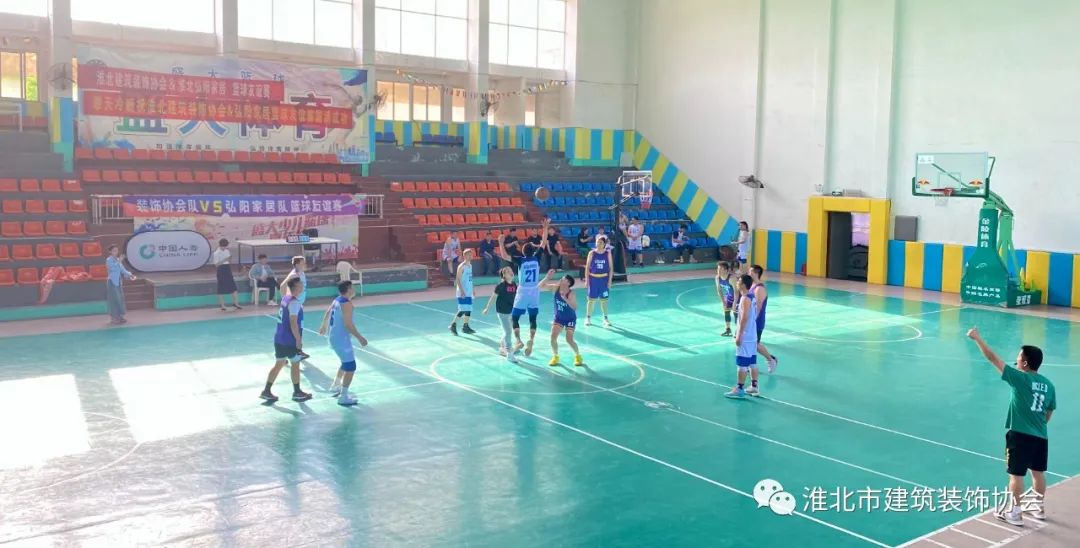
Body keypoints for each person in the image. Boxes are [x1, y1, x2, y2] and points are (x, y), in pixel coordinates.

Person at [967, 327, 1055, 526]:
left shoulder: (1020, 378)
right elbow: (1049, 411)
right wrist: (1038, 425)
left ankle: (1015, 513)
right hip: (1041, 436)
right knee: (1038, 472)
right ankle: (1038, 508)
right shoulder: (1049, 385)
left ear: (1025, 363)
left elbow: (992, 358)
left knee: (1016, 475)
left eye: (1018, 357)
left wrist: (977, 338)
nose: (1016, 359)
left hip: (1020, 435)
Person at [500, 219, 551, 357]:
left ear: (523, 252)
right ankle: (531, 340)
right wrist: (545, 228)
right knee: (533, 319)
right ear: (533, 251)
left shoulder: (520, 260)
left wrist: (500, 243)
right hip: (534, 291)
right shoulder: (536, 258)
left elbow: (504, 255)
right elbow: (543, 242)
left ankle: (518, 340)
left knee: (514, 318)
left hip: (523, 291)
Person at [261, 276, 313, 403]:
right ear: (296, 287)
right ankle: (297, 392)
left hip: (279, 338)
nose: (303, 286)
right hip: (289, 339)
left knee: (279, 364)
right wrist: (298, 340)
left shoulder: (285, 298)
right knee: (295, 363)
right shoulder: (294, 303)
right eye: (301, 284)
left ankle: (266, 391)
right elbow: (293, 323)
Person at [318, 280, 369, 406]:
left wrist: (323, 325)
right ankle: (343, 396)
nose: (354, 289)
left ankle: (336, 385)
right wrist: (360, 337)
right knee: (351, 366)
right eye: (352, 287)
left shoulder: (337, 300)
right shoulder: (346, 304)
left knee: (345, 362)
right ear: (349, 289)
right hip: (341, 339)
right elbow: (348, 324)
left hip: (334, 337)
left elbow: (328, 312)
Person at [725, 275, 760, 399]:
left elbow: (744, 318)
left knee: (742, 363)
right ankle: (754, 386)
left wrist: (739, 335)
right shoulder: (751, 296)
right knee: (752, 362)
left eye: (739, 281)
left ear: (744, 285)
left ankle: (739, 389)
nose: (737, 282)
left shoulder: (745, 299)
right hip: (752, 335)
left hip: (746, 336)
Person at [542, 272, 583, 367]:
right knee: (553, 337)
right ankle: (555, 356)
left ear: (568, 283)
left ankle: (578, 356)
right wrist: (547, 277)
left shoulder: (571, 293)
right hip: (559, 318)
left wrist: (566, 299)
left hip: (570, 319)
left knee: (569, 339)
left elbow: (574, 307)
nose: (561, 279)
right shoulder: (556, 288)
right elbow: (541, 286)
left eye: (563, 278)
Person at [482, 266, 519, 364]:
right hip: (502, 312)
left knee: (508, 330)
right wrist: (487, 308)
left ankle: (502, 347)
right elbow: (493, 297)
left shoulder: (514, 284)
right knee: (508, 332)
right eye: (508, 271)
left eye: (511, 271)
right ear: (504, 275)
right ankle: (509, 354)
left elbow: (516, 297)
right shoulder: (501, 285)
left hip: (511, 311)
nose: (511, 272)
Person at [749, 265, 779, 373]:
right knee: (750, 344)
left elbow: (758, 307)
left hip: (757, 321)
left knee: (755, 344)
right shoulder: (752, 286)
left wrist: (753, 321)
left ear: (756, 273)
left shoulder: (759, 288)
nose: (748, 273)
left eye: (750, 272)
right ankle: (750, 365)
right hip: (750, 320)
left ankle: (771, 359)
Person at [280, 256, 310, 360]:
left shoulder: (302, 273)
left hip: (299, 304)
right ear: (297, 264)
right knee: (295, 327)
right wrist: (286, 300)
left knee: (297, 327)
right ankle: (296, 351)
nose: (305, 264)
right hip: (294, 306)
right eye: (303, 263)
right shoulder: (294, 275)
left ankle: (286, 353)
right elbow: (282, 286)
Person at [584, 235, 614, 327]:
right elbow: (587, 267)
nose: (598, 243)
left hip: (604, 280)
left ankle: (605, 319)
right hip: (593, 279)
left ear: (604, 244)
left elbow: (611, 268)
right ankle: (588, 318)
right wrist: (587, 280)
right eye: (597, 242)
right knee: (591, 300)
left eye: (601, 242)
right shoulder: (591, 253)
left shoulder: (607, 253)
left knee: (604, 300)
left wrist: (610, 281)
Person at [105, 244, 136, 325]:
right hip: (112, 282)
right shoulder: (109, 260)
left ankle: (120, 316)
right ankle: (114, 318)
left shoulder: (118, 260)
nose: (116, 252)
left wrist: (130, 275)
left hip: (118, 282)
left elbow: (123, 270)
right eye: (114, 251)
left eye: (116, 250)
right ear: (110, 252)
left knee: (120, 299)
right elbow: (112, 268)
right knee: (113, 300)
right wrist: (119, 261)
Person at [449, 248, 477, 336]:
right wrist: (461, 291)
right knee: (462, 309)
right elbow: (457, 279)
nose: (470, 256)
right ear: (464, 256)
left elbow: (470, 279)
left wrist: (473, 289)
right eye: (468, 255)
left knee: (468, 309)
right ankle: (453, 325)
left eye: (471, 254)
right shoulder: (461, 266)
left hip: (468, 291)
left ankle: (465, 326)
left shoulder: (470, 266)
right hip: (462, 292)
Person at [213, 239, 242, 311]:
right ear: (220, 245)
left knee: (233, 287)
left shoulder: (227, 251)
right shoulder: (216, 253)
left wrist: (229, 259)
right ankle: (222, 305)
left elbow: (229, 261)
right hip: (221, 269)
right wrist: (224, 260)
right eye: (223, 246)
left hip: (227, 269)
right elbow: (216, 265)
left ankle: (236, 303)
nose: (224, 248)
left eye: (225, 246)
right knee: (221, 288)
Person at [715, 261, 735, 337]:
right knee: (726, 312)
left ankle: (738, 331)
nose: (718, 271)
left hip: (738, 297)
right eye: (718, 269)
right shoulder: (717, 278)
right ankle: (728, 329)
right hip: (729, 296)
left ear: (726, 270)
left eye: (720, 269)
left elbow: (737, 292)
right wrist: (723, 302)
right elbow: (719, 290)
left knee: (736, 314)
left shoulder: (732, 278)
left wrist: (735, 302)